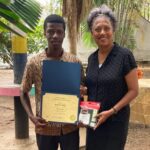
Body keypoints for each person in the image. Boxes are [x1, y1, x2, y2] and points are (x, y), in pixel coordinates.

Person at [20, 14, 84, 150]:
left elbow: (81, 93)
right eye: (50, 31)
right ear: (45, 33)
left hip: (70, 128)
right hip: (45, 128)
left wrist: (82, 114)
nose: (55, 35)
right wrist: (32, 117)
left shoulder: (75, 62)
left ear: (64, 34)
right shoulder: (34, 62)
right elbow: (23, 91)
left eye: (59, 32)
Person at [85, 4, 139, 150]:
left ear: (113, 29)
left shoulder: (124, 56)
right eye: (97, 29)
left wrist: (112, 111)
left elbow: (134, 90)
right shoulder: (91, 59)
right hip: (94, 119)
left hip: (115, 120)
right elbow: (90, 87)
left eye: (106, 28)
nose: (102, 32)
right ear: (92, 32)